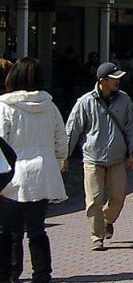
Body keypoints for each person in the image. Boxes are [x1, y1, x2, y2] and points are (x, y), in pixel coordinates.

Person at [0, 58, 67, 282]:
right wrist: (58, 160)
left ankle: (10, 272)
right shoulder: (50, 105)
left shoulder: (5, 106)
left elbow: (1, 142)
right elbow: (61, 139)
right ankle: (42, 273)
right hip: (44, 171)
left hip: (13, 173)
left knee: (10, 230)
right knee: (37, 228)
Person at [65, 62, 133, 252]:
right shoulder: (85, 101)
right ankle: (96, 236)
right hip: (92, 158)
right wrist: (63, 156)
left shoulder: (124, 100)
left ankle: (107, 220)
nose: (118, 81)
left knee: (118, 197)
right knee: (94, 200)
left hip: (117, 158)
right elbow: (72, 130)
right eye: (114, 78)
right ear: (102, 81)